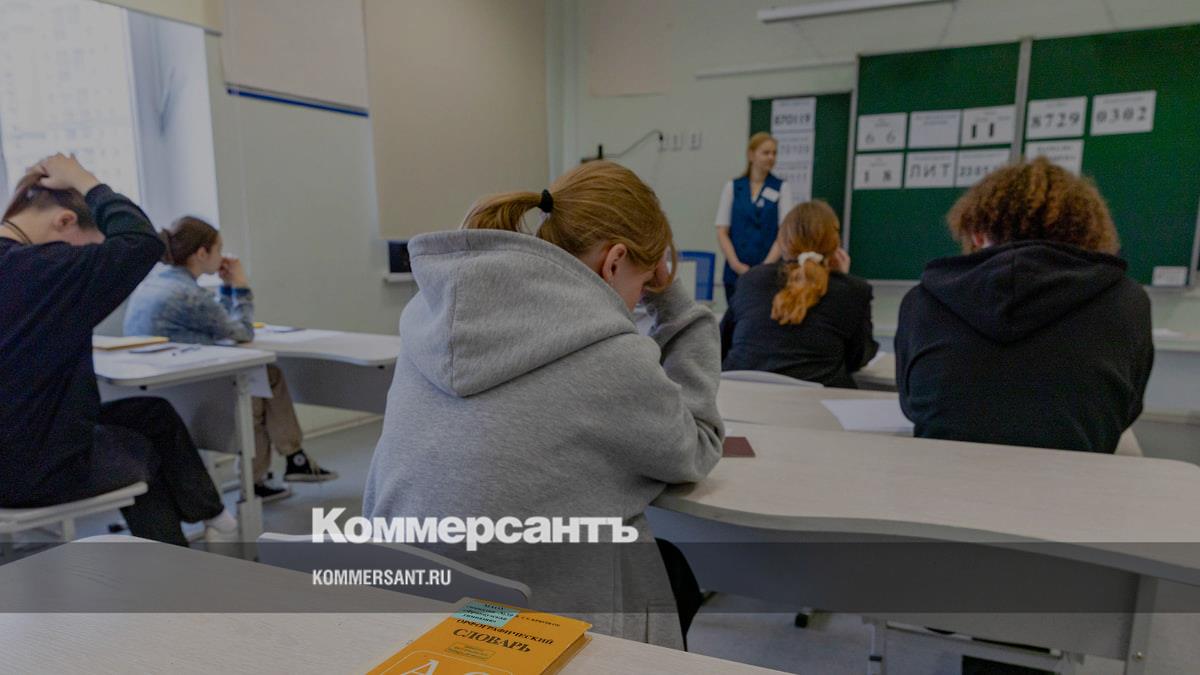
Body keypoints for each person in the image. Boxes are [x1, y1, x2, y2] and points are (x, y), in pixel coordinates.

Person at [363, 160, 723, 648]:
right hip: (538, 630)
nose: (638, 302)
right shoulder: (613, 355)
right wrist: (675, 305)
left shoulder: (425, 319)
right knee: (667, 568)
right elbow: (696, 448)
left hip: (409, 608)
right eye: (642, 288)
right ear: (614, 261)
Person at [0, 154, 237, 545]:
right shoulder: (48, 268)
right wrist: (84, 179)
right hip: (29, 473)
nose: (89, 257)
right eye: (89, 247)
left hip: (19, 447)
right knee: (146, 453)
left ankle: (212, 514)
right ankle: (177, 563)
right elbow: (143, 242)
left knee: (151, 415)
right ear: (65, 221)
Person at [895, 157, 1153, 453]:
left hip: (940, 477)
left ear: (978, 232)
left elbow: (911, 406)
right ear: (1087, 233)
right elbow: (1126, 410)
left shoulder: (923, 299)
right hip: (1076, 479)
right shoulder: (1127, 301)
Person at [123, 216, 337, 501]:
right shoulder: (188, 294)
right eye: (219, 249)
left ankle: (285, 463)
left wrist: (225, 287)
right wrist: (240, 285)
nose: (223, 256)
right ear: (202, 253)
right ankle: (280, 464)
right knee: (259, 387)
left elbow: (216, 323)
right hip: (193, 392)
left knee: (265, 378)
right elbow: (242, 332)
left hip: (165, 387)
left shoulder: (154, 285)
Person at [721, 200, 877, 388]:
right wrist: (844, 281)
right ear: (835, 244)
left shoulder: (750, 280)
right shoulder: (854, 290)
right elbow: (857, 359)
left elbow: (721, 345)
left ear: (782, 241)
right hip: (817, 401)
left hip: (741, 397)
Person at [715, 132, 796, 301]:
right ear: (751, 155)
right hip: (736, 271)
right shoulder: (733, 187)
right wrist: (735, 264)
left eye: (774, 153)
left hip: (769, 272)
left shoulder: (782, 187)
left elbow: (784, 232)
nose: (771, 157)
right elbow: (722, 231)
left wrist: (764, 267)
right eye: (766, 153)